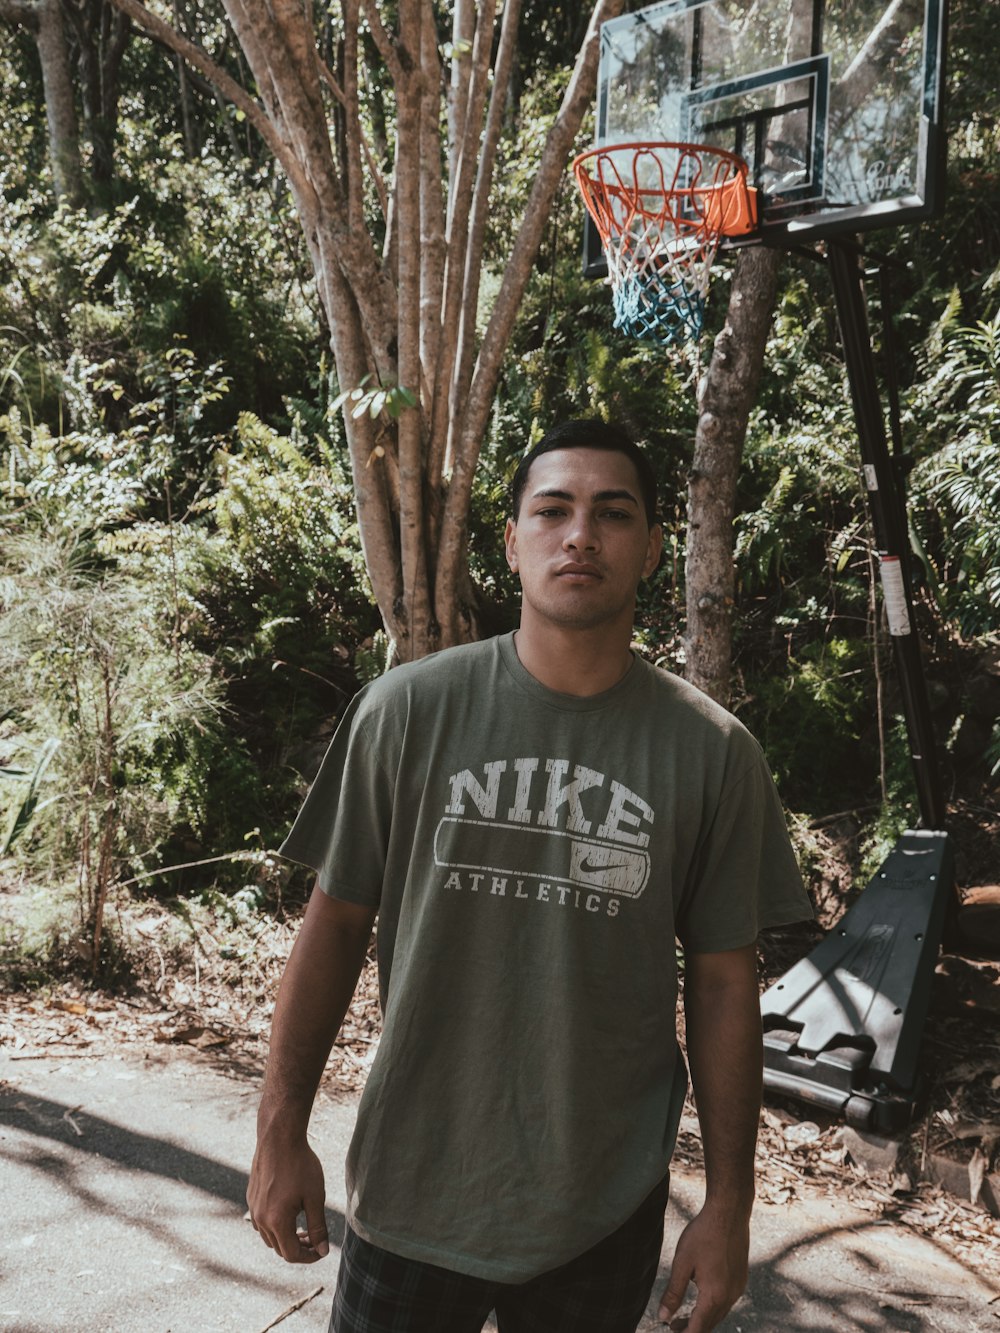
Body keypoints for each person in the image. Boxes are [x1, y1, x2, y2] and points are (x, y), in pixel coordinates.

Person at [247, 418, 812, 1333]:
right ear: (512, 543)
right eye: (552, 509)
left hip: (601, 1204)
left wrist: (729, 1202)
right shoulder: (406, 713)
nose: (579, 533)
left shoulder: (712, 754)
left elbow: (721, 982)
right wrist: (279, 1130)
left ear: (655, 548)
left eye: (612, 513)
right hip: (415, 1184)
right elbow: (335, 922)